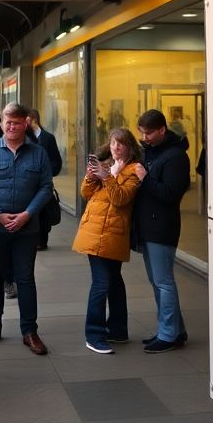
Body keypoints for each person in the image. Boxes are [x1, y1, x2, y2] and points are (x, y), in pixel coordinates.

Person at [0, 103, 54, 356]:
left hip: (27, 229)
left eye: (16, 122)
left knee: (25, 278)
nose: (11, 126)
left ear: (25, 123)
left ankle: (30, 331)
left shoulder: (38, 153)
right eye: (7, 122)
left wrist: (27, 214)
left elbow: (46, 187)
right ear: (2, 123)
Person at [73, 132, 142, 354]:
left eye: (121, 144)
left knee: (113, 281)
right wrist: (91, 177)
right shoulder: (106, 165)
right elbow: (85, 193)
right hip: (95, 231)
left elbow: (120, 199)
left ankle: (118, 330)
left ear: (130, 146)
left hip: (114, 233)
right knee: (102, 283)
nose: (116, 147)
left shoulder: (135, 171)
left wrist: (108, 177)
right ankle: (94, 334)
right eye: (113, 143)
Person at [133, 109, 191, 353]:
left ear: (162, 130)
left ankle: (168, 334)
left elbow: (171, 194)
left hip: (162, 227)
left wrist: (145, 179)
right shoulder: (152, 151)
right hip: (148, 226)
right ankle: (174, 330)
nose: (144, 138)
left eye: (148, 133)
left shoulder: (176, 156)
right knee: (157, 281)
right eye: (142, 133)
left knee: (163, 282)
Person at [27, 108, 63, 250]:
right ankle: (33, 239)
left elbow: (56, 162)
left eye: (27, 120)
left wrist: (47, 172)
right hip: (28, 184)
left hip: (43, 183)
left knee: (43, 212)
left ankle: (42, 241)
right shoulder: (24, 138)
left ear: (34, 120)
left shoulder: (48, 138)